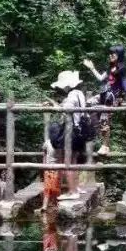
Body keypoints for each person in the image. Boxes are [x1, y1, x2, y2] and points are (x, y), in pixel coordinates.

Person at [82, 46, 126, 156]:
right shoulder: (110, 67)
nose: (110, 56)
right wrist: (92, 68)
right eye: (110, 54)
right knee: (88, 103)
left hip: (114, 96)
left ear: (119, 56)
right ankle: (95, 129)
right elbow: (100, 78)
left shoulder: (122, 69)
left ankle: (105, 146)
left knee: (104, 119)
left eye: (113, 54)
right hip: (104, 94)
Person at [49, 70, 89, 198]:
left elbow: (66, 110)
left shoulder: (71, 95)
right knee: (74, 160)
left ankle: (72, 192)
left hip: (71, 131)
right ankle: (76, 187)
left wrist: (54, 106)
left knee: (68, 161)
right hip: (80, 131)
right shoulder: (79, 94)